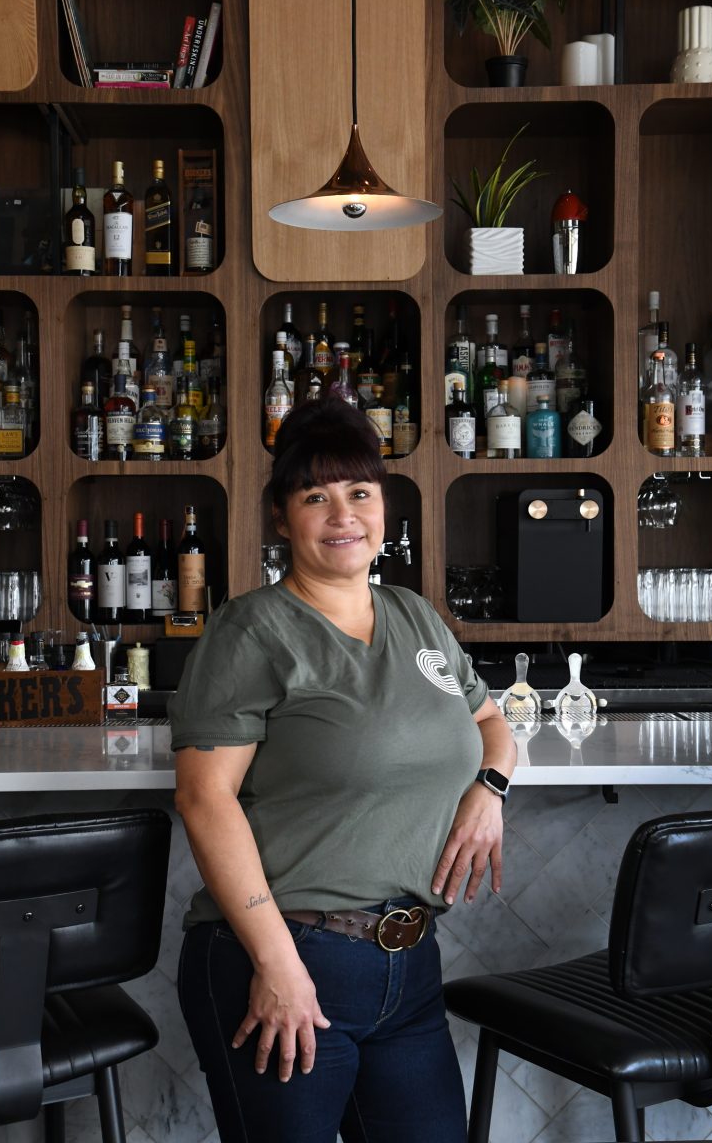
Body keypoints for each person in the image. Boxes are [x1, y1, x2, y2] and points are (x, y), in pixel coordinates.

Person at [170, 396, 516, 1143]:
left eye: (358, 492)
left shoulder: (414, 615)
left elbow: (490, 721)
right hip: (288, 958)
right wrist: (278, 963)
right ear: (279, 517)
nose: (342, 515)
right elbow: (204, 800)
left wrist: (489, 788)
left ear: (382, 506)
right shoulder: (250, 630)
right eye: (314, 497)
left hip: (409, 966)